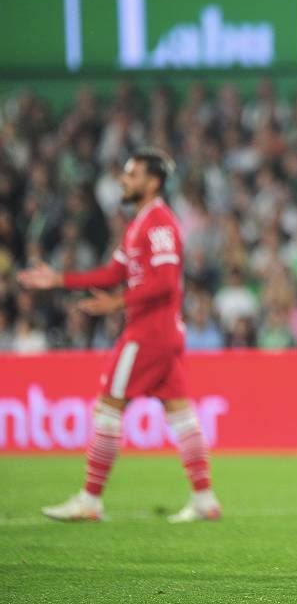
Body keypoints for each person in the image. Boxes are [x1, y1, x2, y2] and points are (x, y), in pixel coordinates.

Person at [17, 153, 221, 523]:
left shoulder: (158, 223)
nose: (124, 180)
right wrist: (61, 280)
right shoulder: (138, 224)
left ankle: (90, 500)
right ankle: (204, 498)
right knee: (180, 413)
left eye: (132, 174)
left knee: (108, 407)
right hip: (164, 333)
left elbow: (163, 281)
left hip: (149, 333)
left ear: (153, 182)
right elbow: (113, 271)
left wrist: (118, 303)